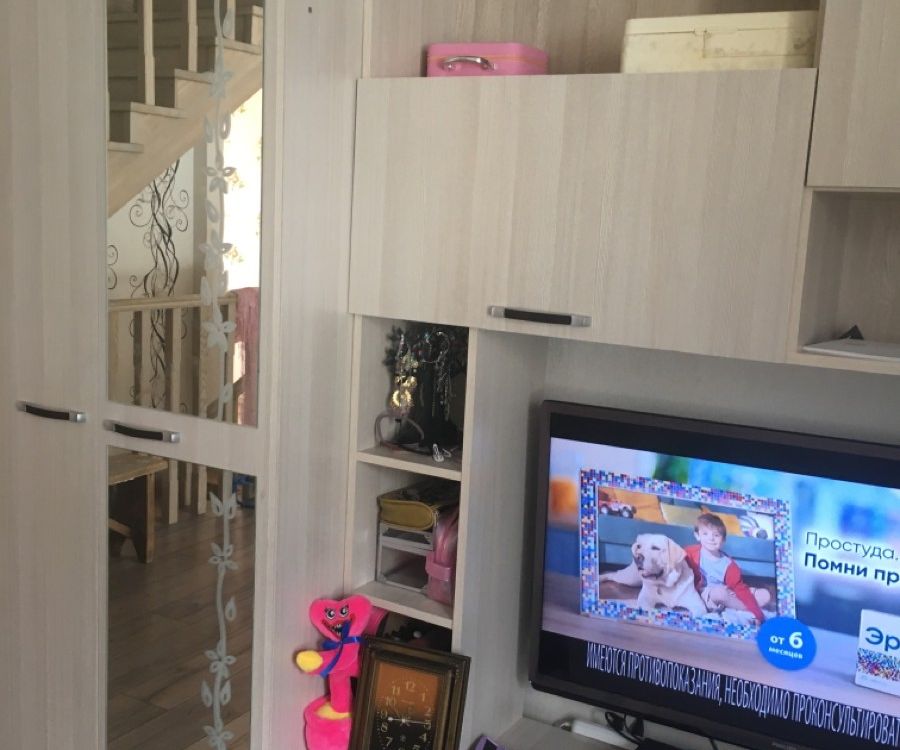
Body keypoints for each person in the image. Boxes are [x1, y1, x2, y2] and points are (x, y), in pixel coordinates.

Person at [685, 513, 770, 622]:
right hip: (706, 594)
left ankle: (736, 605)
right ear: (697, 536)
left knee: (764, 595)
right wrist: (755, 611)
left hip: (727, 591)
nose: (711, 538)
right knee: (720, 593)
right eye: (705, 534)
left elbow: (739, 588)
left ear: (723, 540)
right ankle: (748, 610)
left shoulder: (729, 564)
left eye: (716, 535)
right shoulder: (690, 552)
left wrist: (757, 612)